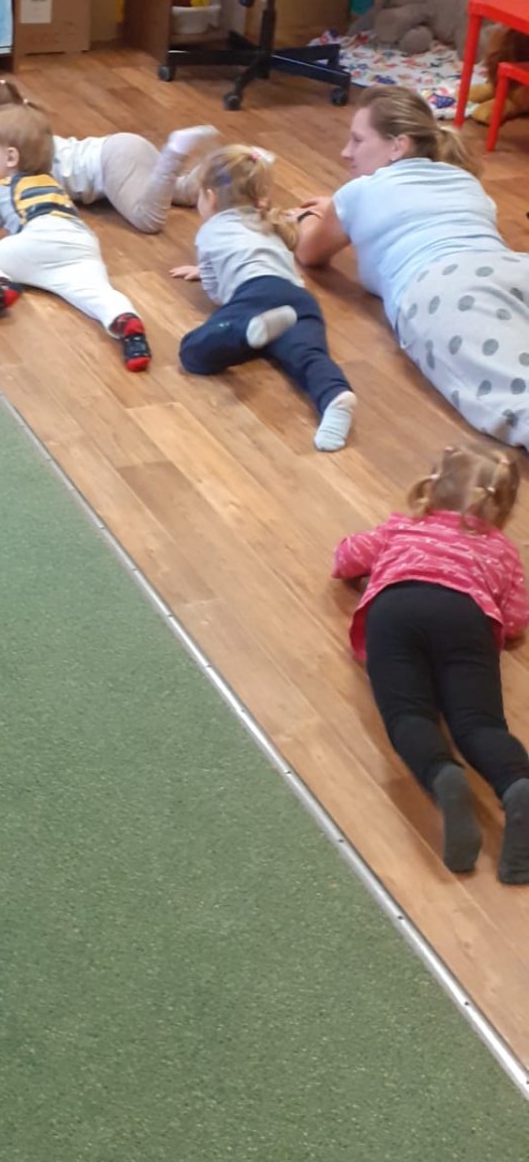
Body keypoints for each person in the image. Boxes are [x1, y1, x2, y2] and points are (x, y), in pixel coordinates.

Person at [291, 84, 529, 449]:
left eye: (358, 140)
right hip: (511, 266)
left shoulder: (358, 193)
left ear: (398, 146)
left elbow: (310, 253)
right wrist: (337, 210)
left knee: (513, 401)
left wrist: (308, 216)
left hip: (445, 290)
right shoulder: (465, 181)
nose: (345, 152)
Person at [333, 443, 529, 883]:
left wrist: (368, 569)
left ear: (432, 487)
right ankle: (517, 784)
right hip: (465, 618)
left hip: (396, 611)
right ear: (501, 507)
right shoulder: (502, 550)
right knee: (480, 726)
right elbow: (517, 620)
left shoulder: (402, 527)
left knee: (409, 715)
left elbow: (345, 558)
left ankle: (443, 775)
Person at [173, 144, 356, 451]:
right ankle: (335, 396)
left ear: (211, 198)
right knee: (309, 356)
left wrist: (208, 273)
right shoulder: (268, 222)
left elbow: (217, 295)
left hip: (253, 295)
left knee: (193, 351)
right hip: (298, 300)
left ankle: (247, 331)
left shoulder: (209, 232)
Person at [0, 102, 151, 370]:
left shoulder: (0, 189)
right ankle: (128, 326)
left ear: (11, 158)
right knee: (98, 294)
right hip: (82, 242)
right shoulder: (51, 181)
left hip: (38, 237)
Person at [0, 75, 217, 236]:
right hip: (121, 149)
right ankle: (211, 170)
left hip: (112, 164)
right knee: (180, 193)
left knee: (148, 219)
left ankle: (174, 154)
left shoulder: (25, 163)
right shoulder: (30, 141)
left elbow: (7, 192)